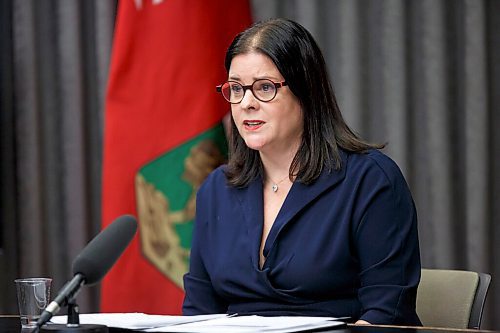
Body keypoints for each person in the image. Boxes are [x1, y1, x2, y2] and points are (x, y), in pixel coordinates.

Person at [182, 18, 421, 326]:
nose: (246, 103)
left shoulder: (370, 181)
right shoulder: (217, 189)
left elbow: (388, 313)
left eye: (265, 87)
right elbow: (198, 314)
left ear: (306, 90)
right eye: (236, 89)